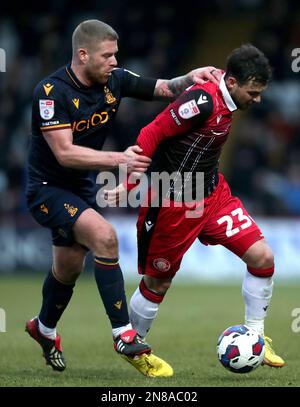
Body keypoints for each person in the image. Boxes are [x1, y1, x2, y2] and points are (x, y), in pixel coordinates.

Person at [24, 19, 221, 378]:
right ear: (83, 55)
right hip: (46, 187)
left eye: (116, 55)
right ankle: (124, 334)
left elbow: (163, 88)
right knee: (106, 237)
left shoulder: (114, 80)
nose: (115, 61)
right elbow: (65, 153)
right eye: (108, 55)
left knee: (67, 270)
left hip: (80, 188)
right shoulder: (51, 92)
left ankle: (44, 328)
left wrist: (189, 77)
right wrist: (120, 159)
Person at [106, 44, 285, 371]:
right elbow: (153, 132)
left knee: (263, 258)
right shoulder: (201, 101)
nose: (257, 99)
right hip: (173, 199)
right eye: (253, 92)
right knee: (157, 282)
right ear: (232, 83)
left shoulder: (227, 95)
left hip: (213, 193)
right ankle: (133, 349)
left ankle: (256, 336)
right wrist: (129, 183)